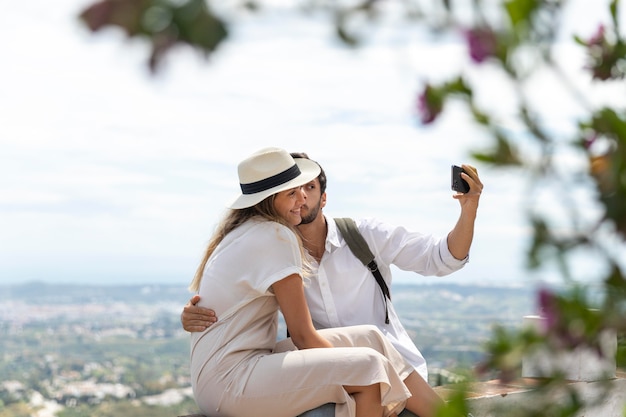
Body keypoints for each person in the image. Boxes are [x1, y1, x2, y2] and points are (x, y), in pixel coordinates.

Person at [186, 151, 483, 417]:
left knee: (372, 337)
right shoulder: (275, 238)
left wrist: (468, 210)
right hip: (233, 379)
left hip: (231, 370)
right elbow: (303, 337)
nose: (302, 198)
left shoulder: (245, 233)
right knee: (369, 366)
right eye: (292, 192)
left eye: (307, 188)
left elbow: (441, 257)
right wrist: (375, 373)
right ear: (270, 198)